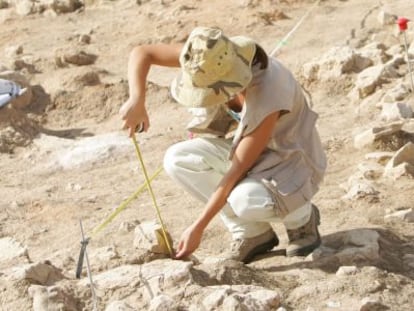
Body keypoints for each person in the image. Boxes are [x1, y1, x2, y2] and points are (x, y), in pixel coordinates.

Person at [120, 26, 327, 263]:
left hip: (289, 160)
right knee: (177, 159)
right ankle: (253, 233)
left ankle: (301, 220)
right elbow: (142, 53)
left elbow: (236, 170)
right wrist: (137, 100)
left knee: (245, 200)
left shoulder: (268, 93)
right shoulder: (208, 58)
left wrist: (198, 228)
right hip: (248, 150)